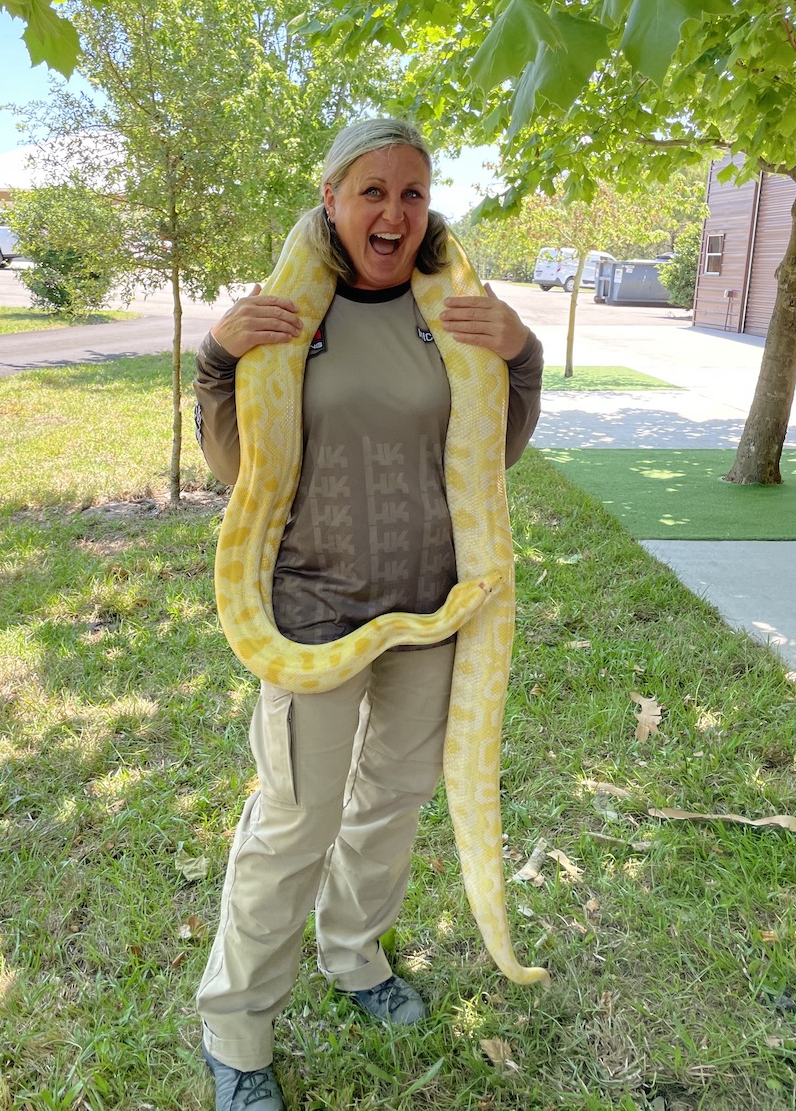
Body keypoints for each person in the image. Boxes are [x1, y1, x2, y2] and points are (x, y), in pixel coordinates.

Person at [193, 118, 543, 1111]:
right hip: (310, 603)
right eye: (372, 191)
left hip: (435, 603)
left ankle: (354, 953)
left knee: (390, 802)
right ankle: (236, 1027)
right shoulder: (288, 315)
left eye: (414, 193)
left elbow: (494, 450)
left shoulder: (456, 310)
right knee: (293, 818)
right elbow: (238, 465)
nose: (394, 212)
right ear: (333, 199)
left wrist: (522, 352)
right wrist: (219, 358)